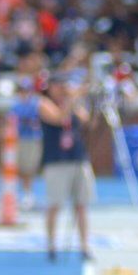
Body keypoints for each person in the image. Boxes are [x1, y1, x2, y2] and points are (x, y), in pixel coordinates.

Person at [38, 77, 94, 260]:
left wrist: (79, 99)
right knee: (55, 204)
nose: (62, 89)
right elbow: (59, 118)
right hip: (56, 161)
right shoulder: (44, 104)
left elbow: (87, 122)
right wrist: (71, 99)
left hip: (78, 158)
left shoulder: (72, 104)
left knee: (81, 205)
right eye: (58, 86)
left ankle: (84, 245)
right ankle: (51, 243)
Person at [10, 77, 42, 211]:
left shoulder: (36, 104)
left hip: (32, 140)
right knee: (19, 168)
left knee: (30, 168)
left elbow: (37, 121)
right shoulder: (16, 106)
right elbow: (12, 121)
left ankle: (28, 195)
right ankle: (21, 194)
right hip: (19, 140)